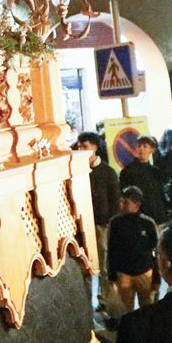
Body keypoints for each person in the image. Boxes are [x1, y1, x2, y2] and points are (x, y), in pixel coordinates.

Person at [76, 131, 121, 310]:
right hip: (82, 225)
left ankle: (106, 301)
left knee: (104, 263)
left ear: (94, 148)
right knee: (84, 264)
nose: (81, 150)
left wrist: (111, 221)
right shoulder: (78, 171)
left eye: (85, 147)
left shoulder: (107, 172)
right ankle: (86, 302)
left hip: (102, 224)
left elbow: (114, 198)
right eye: (79, 147)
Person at [108, 187, 160, 313]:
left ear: (137, 204)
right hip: (123, 273)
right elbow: (112, 250)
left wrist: (156, 277)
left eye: (126, 202)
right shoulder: (116, 223)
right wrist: (112, 276)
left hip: (144, 272)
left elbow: (156, 251)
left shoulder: (147, 223)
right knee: (126, 312)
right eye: (121, 202)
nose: (122, 205)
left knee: (147, 310)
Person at [120, 136, 168, 223]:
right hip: (137, 216)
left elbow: (160, 194)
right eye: (139, 146)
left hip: (156, 216)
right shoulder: (128, 170)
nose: (141, 149)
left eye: (145, 146)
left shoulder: (155, 171)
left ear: (152, 150)